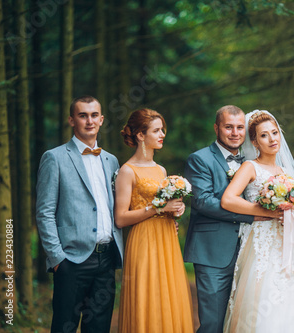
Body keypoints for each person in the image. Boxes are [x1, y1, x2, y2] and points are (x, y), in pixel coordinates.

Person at [221, 110, 294, 332]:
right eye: (264, 135)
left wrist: (289, 213)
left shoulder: (287, 172)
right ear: (254, 141)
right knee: (264, 298)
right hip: (264, 244)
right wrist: (270, 212)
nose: (272, 139)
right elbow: (228, 200)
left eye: (275, 133)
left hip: (292, 245)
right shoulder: (250, 167)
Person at [36, 95, 123, 333]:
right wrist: (57, 260)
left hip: (106, 260)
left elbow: (119, 209)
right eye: (83, 115)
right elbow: (44, 212)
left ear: (102, 119)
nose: (89, 121)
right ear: (71, 120)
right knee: (65, 326)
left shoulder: (111, 161)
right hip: (71, 261)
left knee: (99, 328)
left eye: (94, 115)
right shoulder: (55, 157)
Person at [184, 105, 275, 333]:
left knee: (239, 321)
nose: (235, 133)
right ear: (217, 128)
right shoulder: (200, 159)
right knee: (214, 322)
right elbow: (203, 201)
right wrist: (254, 213)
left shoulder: (252, 161)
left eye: (239, 128)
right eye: (228, 127)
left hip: (251, 251)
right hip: (214, 251)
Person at [115, 108, 193, 332]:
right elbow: (121, 218)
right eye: (157, 130)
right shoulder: (127, 171)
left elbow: (164, 207)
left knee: (168, 294)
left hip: (166, 238)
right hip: (144, 241)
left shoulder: (161, 170)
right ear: (141, 135)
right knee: (148, 294)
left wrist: (174, 211)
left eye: (163, 130)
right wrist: (159, 208)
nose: (162, 135)